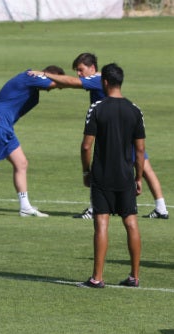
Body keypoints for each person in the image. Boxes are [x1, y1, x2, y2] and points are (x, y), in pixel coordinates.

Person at [29, 52, 168, 220]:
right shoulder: (98, 81)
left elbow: (72, 83)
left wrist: (45, 74)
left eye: (81, 69)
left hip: (113, 129)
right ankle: (161, 208)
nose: (78, 74)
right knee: (144, 166)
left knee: (102, 164)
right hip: (123, 126)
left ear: (92, 68)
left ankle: (95, 208)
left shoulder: (97, 79)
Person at [0, 66, 66, 219]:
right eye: (55, 83)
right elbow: (54, 83)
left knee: (21, 163)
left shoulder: (34, 89)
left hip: (5, 128)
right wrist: (81, 82)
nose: (53, 89)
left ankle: (25, 207)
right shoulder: (31, 76)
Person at [77, 63, 145, 288]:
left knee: (102, 225)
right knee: (131, 223)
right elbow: (140, 150)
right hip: (126, 175)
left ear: (104, 82)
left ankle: (97, 277)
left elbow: (87, 146)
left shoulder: (97, 108)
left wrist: (87, 172)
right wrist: (138, 177)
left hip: (102, 175)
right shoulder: (135, 110)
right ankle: (134, 276)